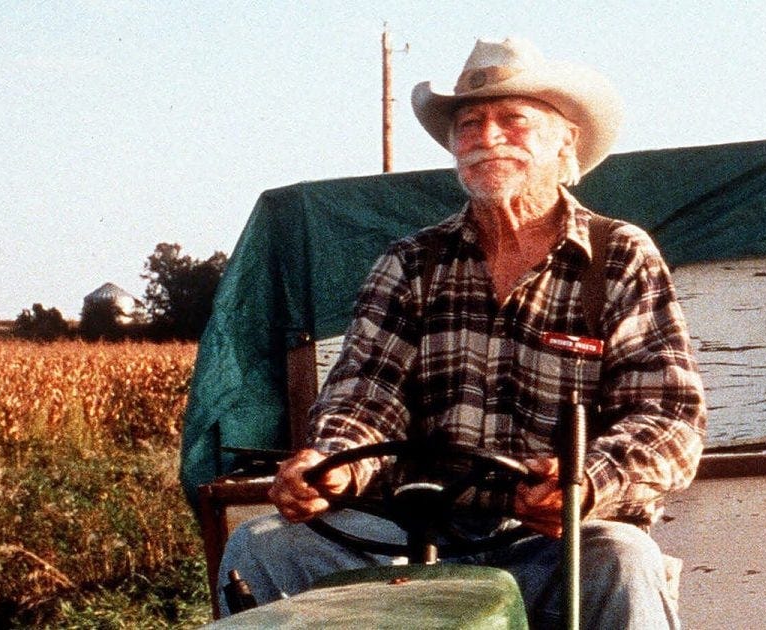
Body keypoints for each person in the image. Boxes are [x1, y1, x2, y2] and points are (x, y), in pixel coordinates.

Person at [219, 36, 706, 628]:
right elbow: (364, 398)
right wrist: (334, 464)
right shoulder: (411, 263)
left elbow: (667, 419)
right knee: (262, 549)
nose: (487, 137)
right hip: (410, 532)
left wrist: (585, 482)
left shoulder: (619, 256)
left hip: (548, 542)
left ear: (566, 142)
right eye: (470, 123)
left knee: (625, 559)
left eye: (512, 120)